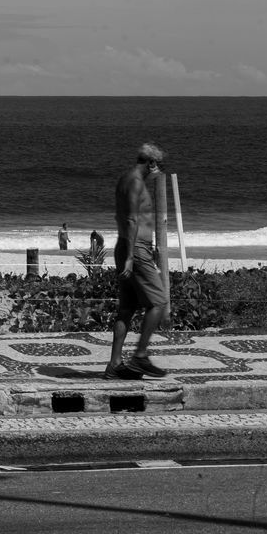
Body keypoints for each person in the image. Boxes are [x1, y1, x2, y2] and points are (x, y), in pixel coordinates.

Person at [104, 143, 169, 380]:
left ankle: (115, 364)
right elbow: (131, 219)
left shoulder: (125, 179)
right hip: (135, 250)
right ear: (151, 163)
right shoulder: (135, 181)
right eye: (159, 166)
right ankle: (140, 355)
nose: (159, 171)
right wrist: (131, 257)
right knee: (159, 302)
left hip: (126, 247)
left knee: (127, 308)